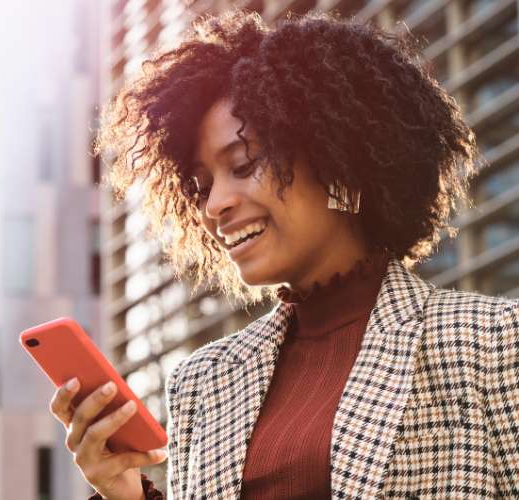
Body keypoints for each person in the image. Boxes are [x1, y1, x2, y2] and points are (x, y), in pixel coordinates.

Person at [48, 7, 519, 500]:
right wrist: (122, 490)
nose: (215, 204)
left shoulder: (490, 344)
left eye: (244, 164)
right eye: (202, 184)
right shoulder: (203, 383)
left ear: (338, 162)